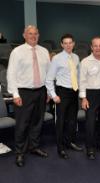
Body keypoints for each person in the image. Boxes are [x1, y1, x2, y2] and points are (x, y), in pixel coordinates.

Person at [7, 25, 50, 167]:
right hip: (24, 92)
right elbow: (11, 74)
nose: (33, 36)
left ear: (39, 35)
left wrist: (49, 92)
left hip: (41, 91)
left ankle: (34, 147)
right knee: (22, 123)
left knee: (37, 122)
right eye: (30, 34)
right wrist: (15, 94)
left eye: (35, 34)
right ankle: (19, 152)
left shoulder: (44, 51)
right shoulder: (17, 52)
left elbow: (49, 74)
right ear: (24, 35)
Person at [45, 33, 82, 160]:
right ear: (61, 44)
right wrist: (54, 95)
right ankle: (60, 147)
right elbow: (49, 79)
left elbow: (78, 76)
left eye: (70, 43)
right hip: (62, 93)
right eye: (65, 43)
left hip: (74, 92)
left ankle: (69, 142)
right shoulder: (57, 59)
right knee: (60, 121)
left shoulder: (76, 57)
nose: (68, 45)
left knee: (72, 120)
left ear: (73, 44)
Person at [79, 37, 100, 160]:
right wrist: (83, 98)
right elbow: (81, 81)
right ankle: (90, 148)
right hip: (91, 94)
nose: (98, 48)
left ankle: (99, 144)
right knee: (90, 123)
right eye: (95, 46)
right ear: (91, 47)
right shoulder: (85, 62)